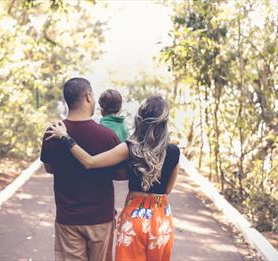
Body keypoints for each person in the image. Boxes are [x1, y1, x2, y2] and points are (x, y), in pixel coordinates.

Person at [46, 95, 180, 261]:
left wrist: (65, 137)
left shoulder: (130, 147)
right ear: (165, 120)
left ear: (140, 118)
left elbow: (89, 162)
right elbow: (167, 190)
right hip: (161, 219)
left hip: (135, 218)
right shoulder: (174, 151)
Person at [40, 77, 125, 261]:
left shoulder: (52, 132)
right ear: (87, 96)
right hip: (101, 218)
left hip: (68, 218)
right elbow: (120, 174)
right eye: (93, 95)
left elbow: (49, 168)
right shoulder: (107, 136)